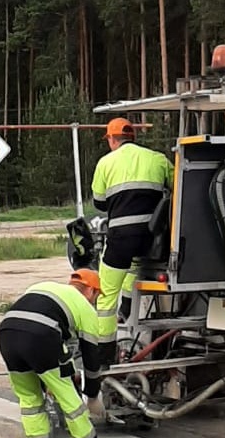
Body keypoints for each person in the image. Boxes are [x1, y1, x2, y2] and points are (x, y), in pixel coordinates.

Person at [0, 269, 109, 438]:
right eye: (96, 296)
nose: (95, 301)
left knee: (30, 400)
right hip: (42, 335)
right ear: (91, 291)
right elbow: (92, 358)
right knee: (69, 398)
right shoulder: (85, 308)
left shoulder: (43, 287)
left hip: (7, 333)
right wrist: (92, 394)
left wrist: (45, 378)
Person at [91, 117, 174, 365]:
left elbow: (99, 203)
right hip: (152, 239)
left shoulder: (105, 163)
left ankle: (105, 353)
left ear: (111, 139)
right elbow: (176, 187)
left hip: (121, 237)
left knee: (106, 295)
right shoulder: (158, 159)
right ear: (133, 137)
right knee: (134, 269)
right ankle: (128, 309)